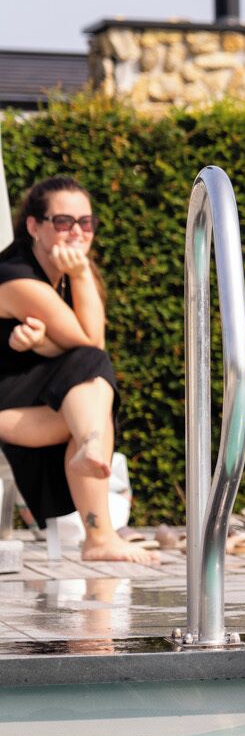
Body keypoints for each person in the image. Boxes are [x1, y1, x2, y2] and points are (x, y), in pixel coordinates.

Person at [0, 176, 157, 564]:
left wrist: (43, 342)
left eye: (85, 223)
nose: (77, 232)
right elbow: (90, 345)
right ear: (34, 226)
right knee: (93, 376)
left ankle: (99, 527)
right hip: (7, 406)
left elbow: (71, 350)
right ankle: (99, 533)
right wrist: (83, 274)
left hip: (29, 402)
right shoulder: (15, 275)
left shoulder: (58, 271)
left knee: (89, 393)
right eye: (63, 222)